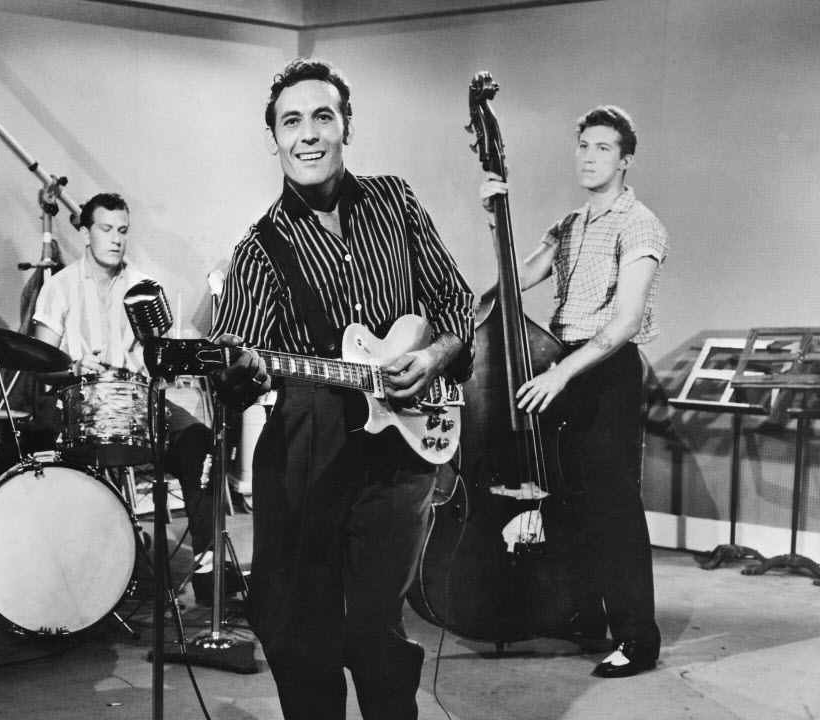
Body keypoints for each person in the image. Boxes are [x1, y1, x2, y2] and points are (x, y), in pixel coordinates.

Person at [211, 58, 474, 719]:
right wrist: (239, 371)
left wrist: (433, 357)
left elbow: (455, 301)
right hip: (308, 438)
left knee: (376, 624)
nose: (308, 134)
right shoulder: (259, 248)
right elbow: (236, 368)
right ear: (272, 137)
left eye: (322, 117)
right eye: (291, 121)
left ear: (346, 126)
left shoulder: (396, 202)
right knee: (299, 627)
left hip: (402, 444)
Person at [478, 105, 667, 678]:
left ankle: (637, 639)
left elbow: (626, 321)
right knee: (568, 499)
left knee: (613, 508)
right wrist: (495, 219)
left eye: (603, 148)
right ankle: (583, 614)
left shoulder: (640, 225)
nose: (589, 157)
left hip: (605, 372)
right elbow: (515, 279)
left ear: (626, 160)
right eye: (583, 146)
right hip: (562, 363)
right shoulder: (569, 224)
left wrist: (562, 374)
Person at [29, 192, 233, 604]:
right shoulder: (59, 286)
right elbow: (40, 365)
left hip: (137, 400)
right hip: (76, 399)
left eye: (122, 230)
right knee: (40, 440)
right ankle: (82, 565)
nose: (116, 239)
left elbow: (163, 362)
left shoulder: (143, 288)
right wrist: (74, 367)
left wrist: (160, 360)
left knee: (199, 442)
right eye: (106, 229)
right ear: (85, 233)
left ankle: (210, 569)